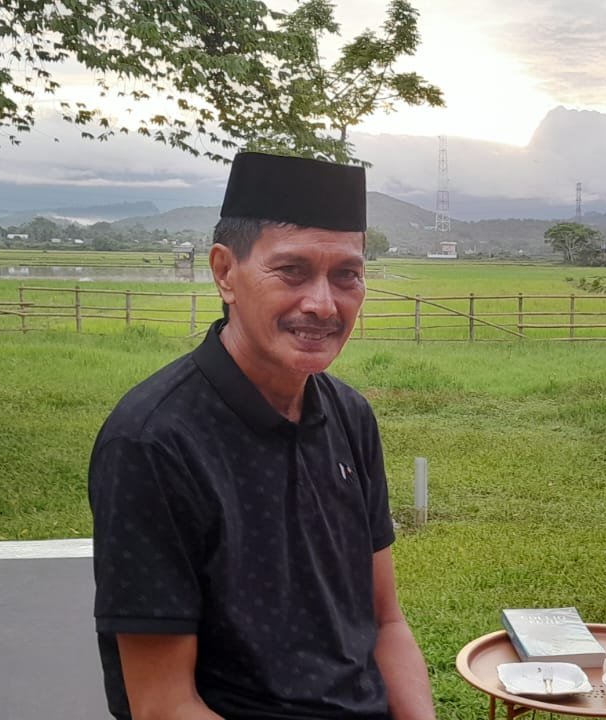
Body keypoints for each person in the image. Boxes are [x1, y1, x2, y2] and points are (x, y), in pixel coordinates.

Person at [89, 152, 435, 720]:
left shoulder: (350, 415)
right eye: (292, 270)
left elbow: (386, 621)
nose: (323, 304)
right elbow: (163, 705)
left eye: (347, 275)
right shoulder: (154, 444)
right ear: (225, 272)